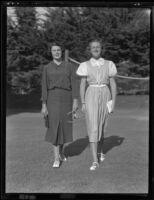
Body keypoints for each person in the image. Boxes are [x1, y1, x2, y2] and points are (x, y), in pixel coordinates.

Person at [76, 39, 117, 170]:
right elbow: (82, 84)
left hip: (105, 94)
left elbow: (113, 83)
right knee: (93, 126)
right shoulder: (84, 65)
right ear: (90, 49)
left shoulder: (109, 64)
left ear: (101, 48)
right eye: (93, 47)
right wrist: (82, 102)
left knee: (102, 126)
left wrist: (113, 101)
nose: (95, 49)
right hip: (91, 94)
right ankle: (95, 160)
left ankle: (100, 152)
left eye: (98, 47)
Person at [41, 42, 78, 168]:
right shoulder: (47, 68)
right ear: (51, 52)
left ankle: (61, 152)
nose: (56, 52)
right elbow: (44, 87)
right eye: (54, 50)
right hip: (52, 99)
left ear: (61, 52)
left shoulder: (70, 66)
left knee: (64, 127)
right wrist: (44, 104)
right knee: (55, 127)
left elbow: (74, 84)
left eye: (58, 50)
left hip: (67, 99)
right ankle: (56, 158)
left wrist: (75, 101)